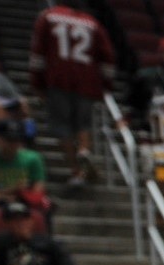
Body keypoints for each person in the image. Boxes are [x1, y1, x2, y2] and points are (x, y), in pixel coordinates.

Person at [29, 1, 114, 186]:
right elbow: (107, 55)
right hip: (87, 82)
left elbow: (38, 52)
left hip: (58, 79)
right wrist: (105, 86)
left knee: (62, 127)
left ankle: (76, 171)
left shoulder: (48, 16)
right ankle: (84, 150)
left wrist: (37, 83)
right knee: (83, 124)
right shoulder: (93, 22)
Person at [0, 122, 49, 212]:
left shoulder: (33, 158)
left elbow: (38, 190)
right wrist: (11, 190)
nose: (13, 144)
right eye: (9, 140)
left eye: (17, 140)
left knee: (45, 204)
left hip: (23, 200)